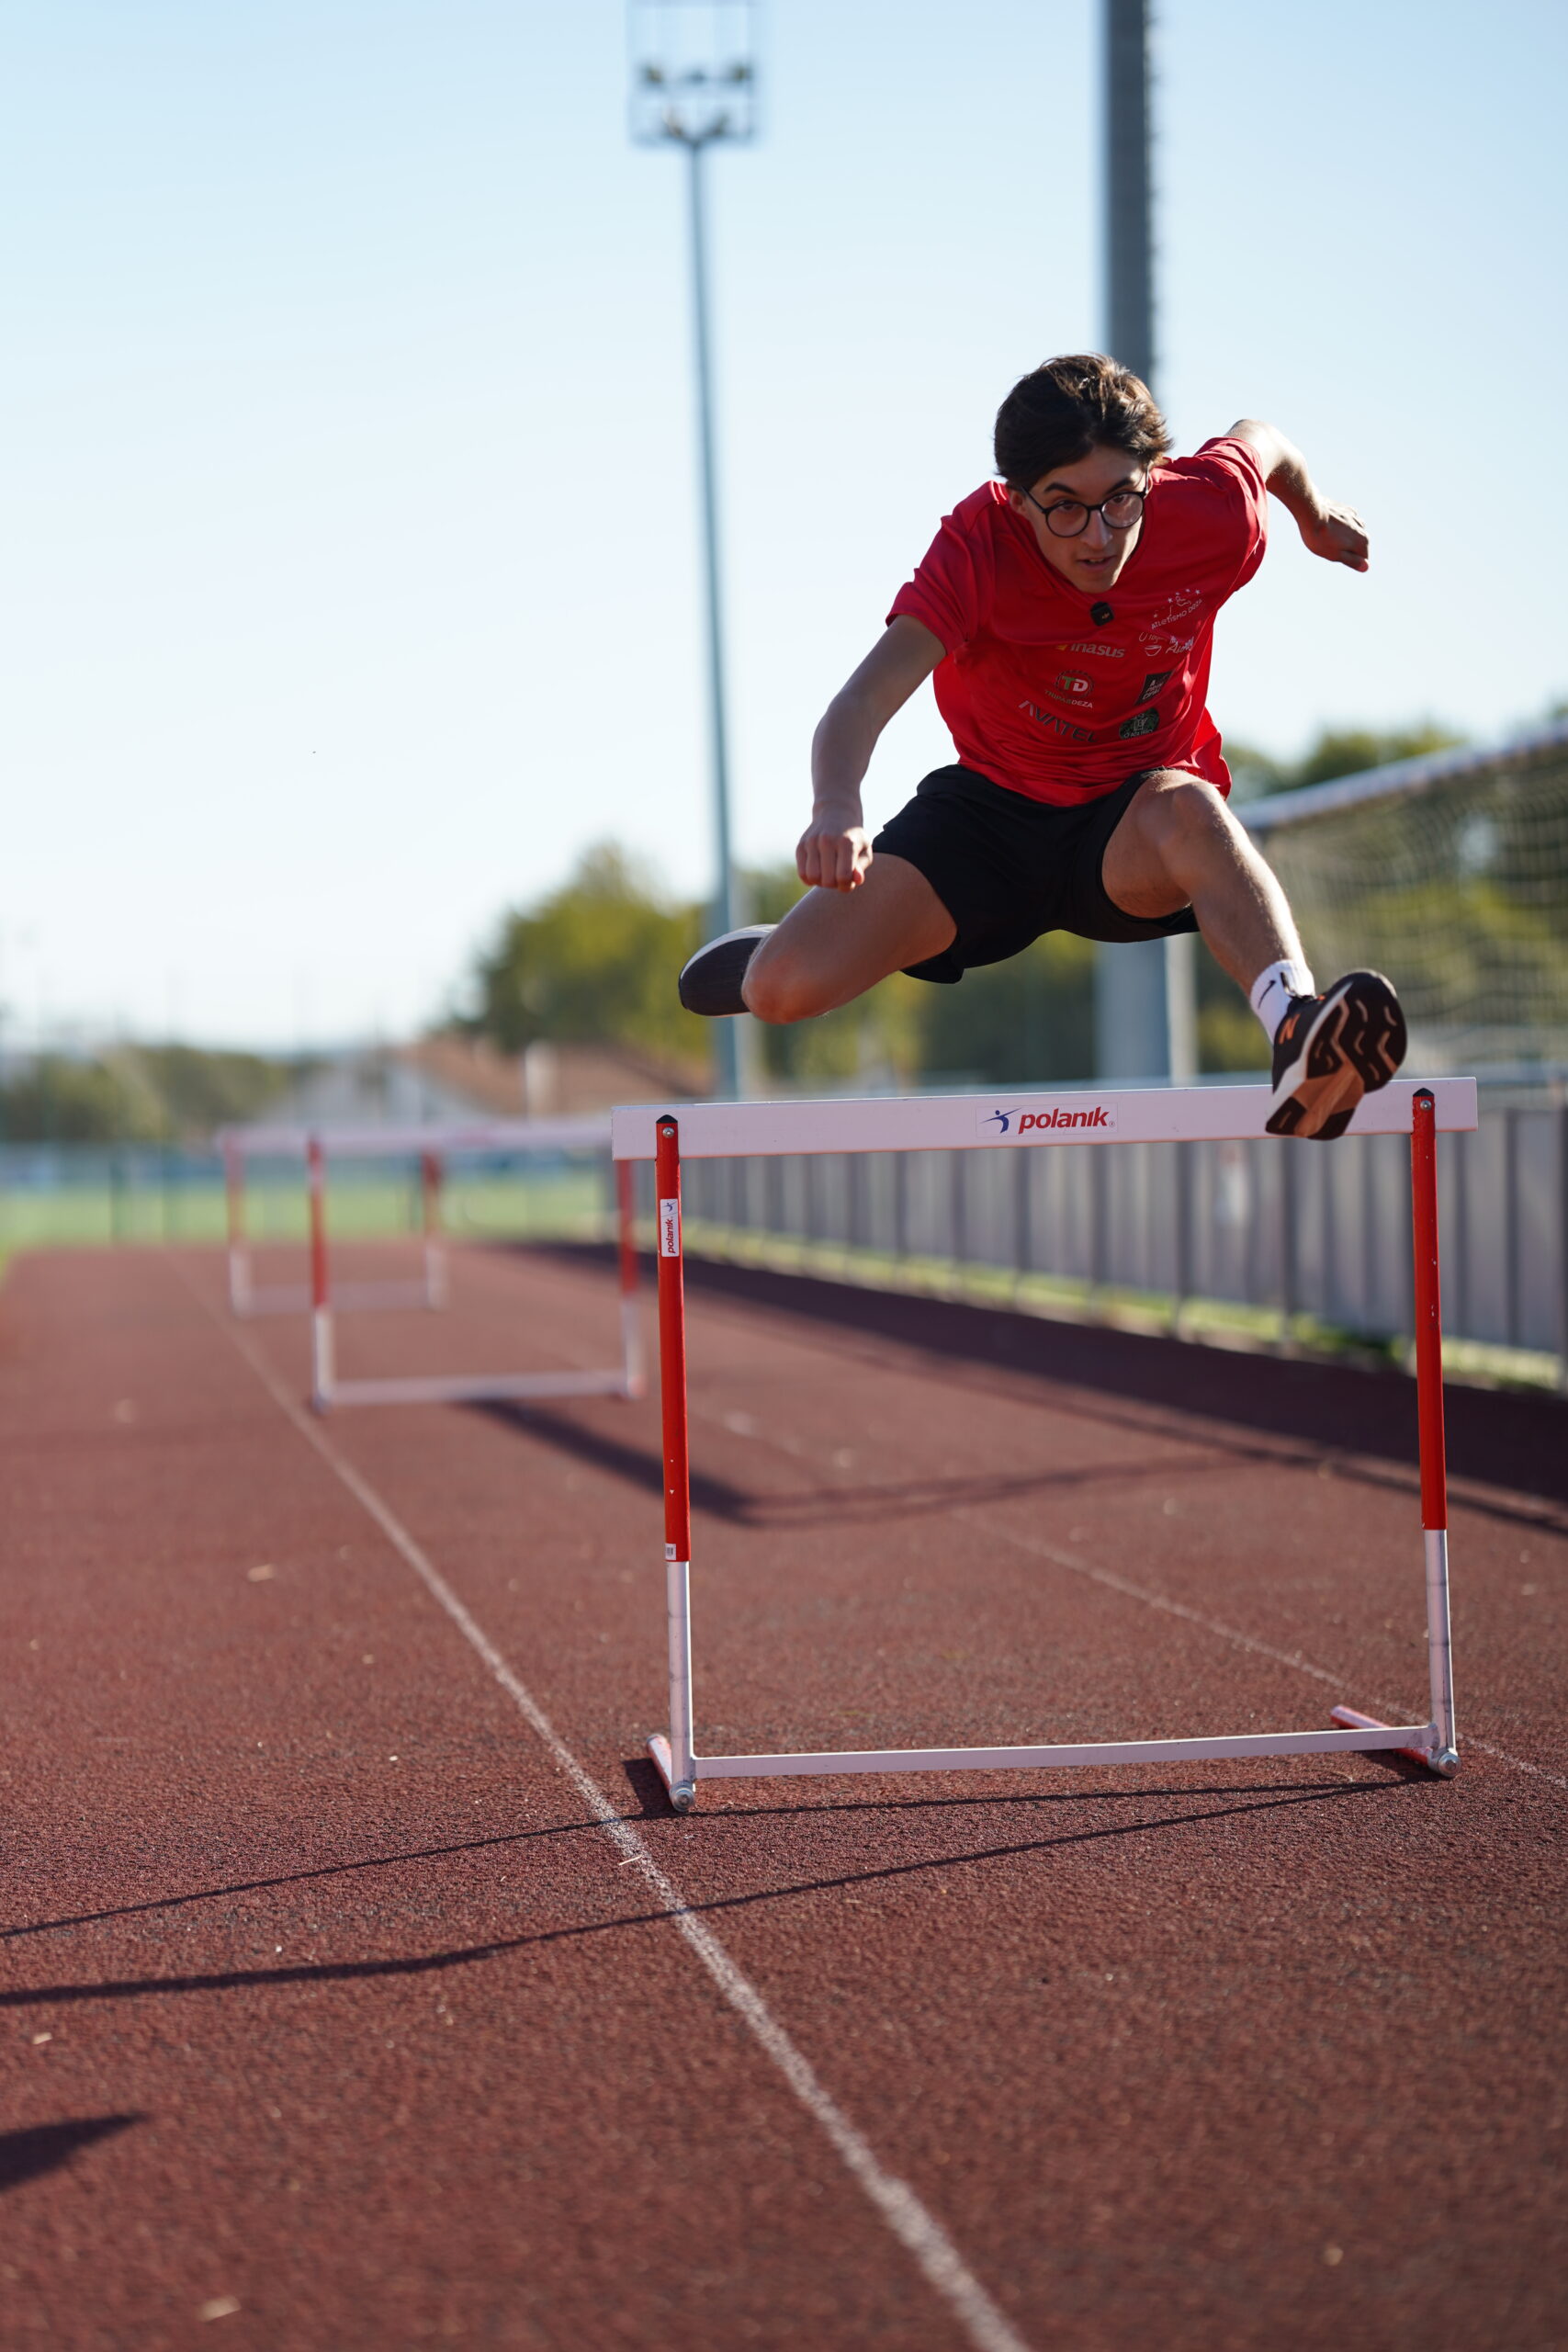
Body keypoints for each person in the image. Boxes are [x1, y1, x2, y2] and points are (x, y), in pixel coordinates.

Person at [678, 353, 1405, 1140]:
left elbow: (1261, 442)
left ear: (1150, 477)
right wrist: (836, 806)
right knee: (782, 993)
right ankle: (777, 951)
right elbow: (860, 701)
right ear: (1018, 500)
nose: (1097, 537)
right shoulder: (975, 545)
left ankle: (1295, 1026)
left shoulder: (1211, 513)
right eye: (1064, 507)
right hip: (990, 820)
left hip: (1131, 819)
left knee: (1190, 807)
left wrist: (1311, 512)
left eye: (1120, 501)